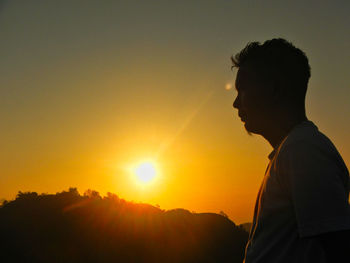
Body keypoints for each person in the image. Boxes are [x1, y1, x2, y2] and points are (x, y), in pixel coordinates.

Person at [231, 38, 350, 263]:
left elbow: (340, 249)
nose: (236, 103)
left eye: (242, 90)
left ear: (274, 89)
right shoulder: (291, 151)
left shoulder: (303, 150)